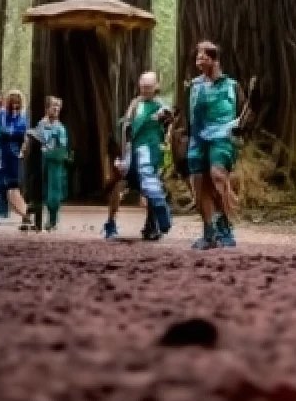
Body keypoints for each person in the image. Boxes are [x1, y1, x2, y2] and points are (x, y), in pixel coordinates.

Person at [185, 41, 243, 249]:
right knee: (199, 184)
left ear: (214, 59)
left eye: (202, 56)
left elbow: (246, 112)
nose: (198, 60)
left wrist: (241, 128)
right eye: (197, 56)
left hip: (222, 136)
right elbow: (188, 114)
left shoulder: (232, 85)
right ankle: (209, 232)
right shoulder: (194, 85)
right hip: (198, 138)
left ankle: (225, 225)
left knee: (217, 176)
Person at [104, 72, 173, 241]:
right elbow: (126, 128)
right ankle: (111, 222)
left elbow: (168, 120)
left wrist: (163, 120)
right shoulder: (135, 103)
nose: (145, 91)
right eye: (143, 87)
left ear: (156, 86)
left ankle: (152, 224)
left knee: (150, 182)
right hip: (131, 152)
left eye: (149, 87)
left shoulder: (160, 105)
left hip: (150, 151)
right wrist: (121, 156)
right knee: (118, 184)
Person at [0, 89, 32, 229]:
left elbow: (24, 136)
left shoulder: (23, 117)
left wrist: (21, 151)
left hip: (14, 155)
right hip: (1, 154)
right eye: (12, 103)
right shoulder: (1, 114)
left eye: (17, 104)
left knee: (13, 186)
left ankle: (25, 214)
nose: (14, 106)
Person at [32, 96, 69, 231]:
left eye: (58, 106)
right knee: (40, 188)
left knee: (54, 189)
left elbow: (63, 145)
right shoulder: (41, 124)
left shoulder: (60, 128)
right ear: (47, 108)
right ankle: (37, 219)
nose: (55, 108)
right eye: (53, 105)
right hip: (42, 159)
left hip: (54, 160)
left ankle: (52, 219)